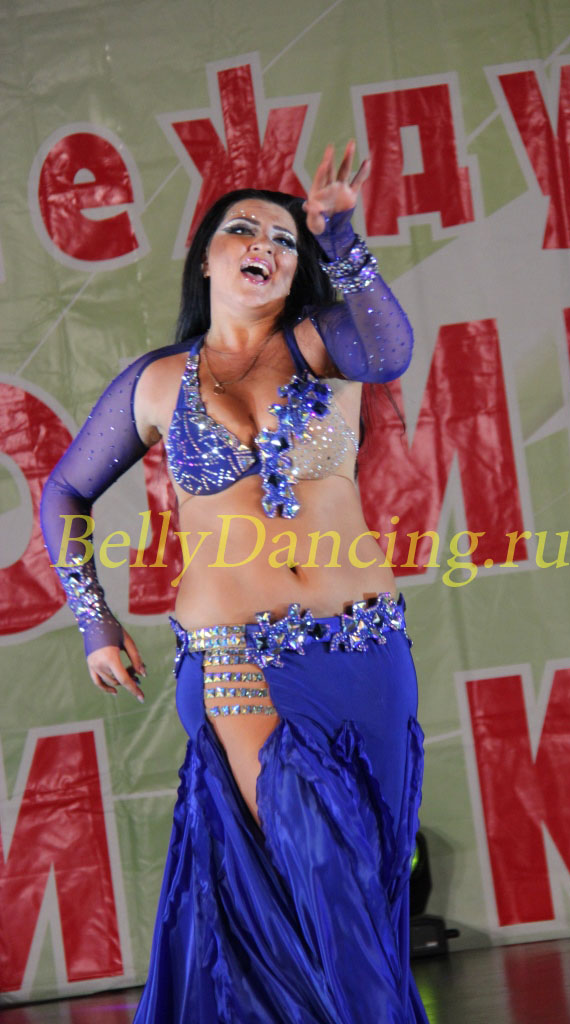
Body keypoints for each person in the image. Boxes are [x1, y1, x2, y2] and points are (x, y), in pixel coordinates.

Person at [41, 141, 428, 1023]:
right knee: (316, 864)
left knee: (363, 887)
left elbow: (390, 349)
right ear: (208, 257)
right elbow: (64, 489)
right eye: (244, 230)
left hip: (367, 651)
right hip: (233, 656)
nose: (267, 245)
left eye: (286, 239)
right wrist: (94, 620)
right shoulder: (156, 382)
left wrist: (340, 236)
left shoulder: (328, 344)